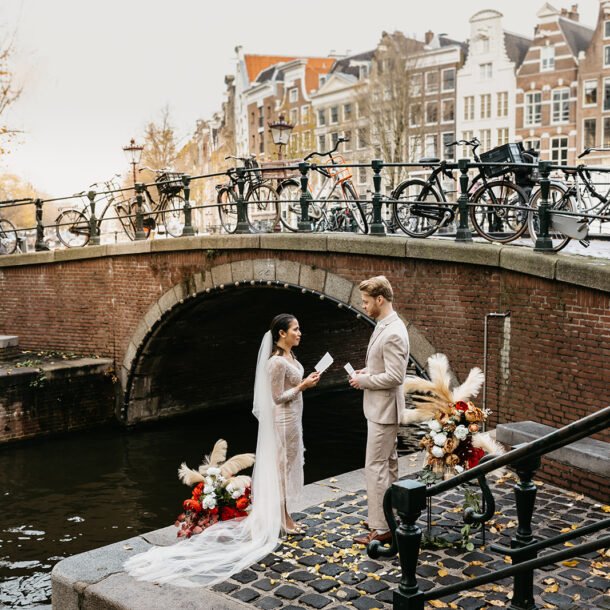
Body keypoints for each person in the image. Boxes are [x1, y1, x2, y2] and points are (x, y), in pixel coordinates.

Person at [124, 314, 320, 587]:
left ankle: (283, 514)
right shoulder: (275, 362)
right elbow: (276, 398)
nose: (300, 332)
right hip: (283, 421)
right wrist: (303, 385)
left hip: (294, 419)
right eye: (296, 329)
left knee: (288, 465)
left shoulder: (291, 358)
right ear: (281, 333)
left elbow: (290, 390)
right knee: (281, 467)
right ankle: (281, 517)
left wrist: (304, 382)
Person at [349, 276, 409, 545]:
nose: (363, 306)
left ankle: (381, 527)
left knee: (375, 466)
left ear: (380, 299)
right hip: (381, 408)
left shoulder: (394, 331)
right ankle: (389, 514)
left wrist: (364, 381)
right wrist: (369, 371)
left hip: (384, 410)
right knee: (389, 464)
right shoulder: (385, 325)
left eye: (366, 301)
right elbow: (384, 366)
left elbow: (396, 377)